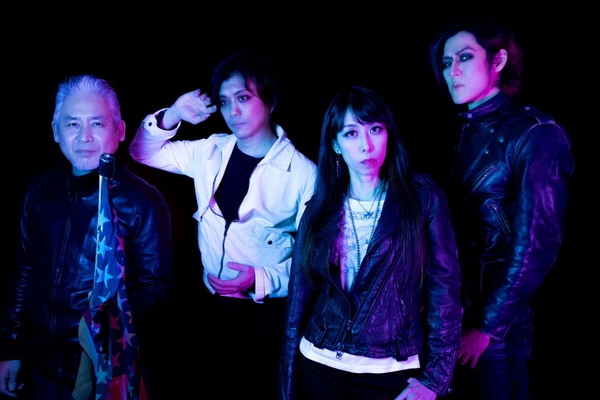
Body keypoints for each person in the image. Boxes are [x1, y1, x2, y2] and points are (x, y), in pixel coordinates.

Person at [129, 50, 317, 399]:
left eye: (243, 98)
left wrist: (260, 278)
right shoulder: (210, 150)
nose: (233, 111)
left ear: (270, 100)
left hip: (265, 316)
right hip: (208, 306)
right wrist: (173, 114)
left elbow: (315, 264)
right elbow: (142, 152)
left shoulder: (304, 174)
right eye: (225, 101)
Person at [278, 85, 462, 400]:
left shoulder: (422, 199)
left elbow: (444, 294)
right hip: (320, 367)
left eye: (374, 129)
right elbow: (299, 301)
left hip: (392, 370)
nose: (366, 145)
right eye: (351, 134)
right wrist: (287, 384)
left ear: (388, 134)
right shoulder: (319, 209)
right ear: (335, 145)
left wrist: (436, 379)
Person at [428, 13, 575, 400]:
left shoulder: (537, 134)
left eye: (465, 57)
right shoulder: (458, 133)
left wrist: (486, 326)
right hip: (448, 314)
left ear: (498, 60)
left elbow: (536, 246)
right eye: (446, 61)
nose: (452, 71)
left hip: (496, 328)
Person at [0, 74, 173, 399]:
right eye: (72, 124)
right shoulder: (39, 191)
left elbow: (157, 286)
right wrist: (10, 346)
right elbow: (24, 270)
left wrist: (109, 322)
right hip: (40, 368)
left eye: (97, 123)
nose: (84, 137)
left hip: (106, 369)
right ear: (56, 130)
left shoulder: (143, 201)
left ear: (119, 130)